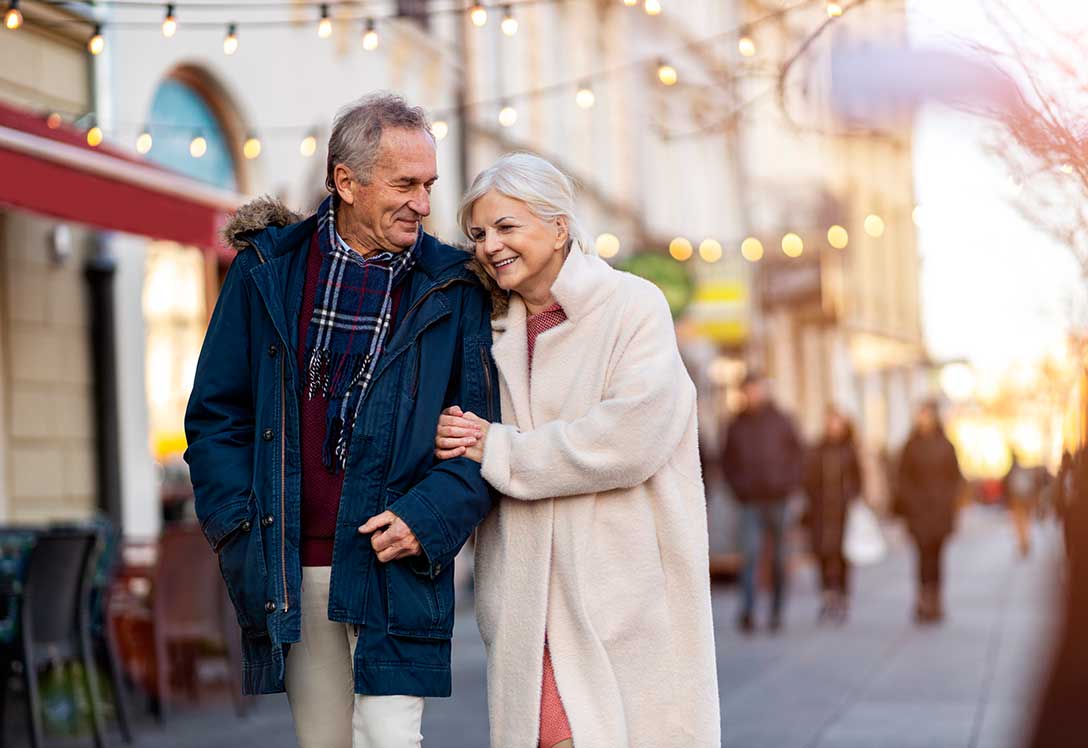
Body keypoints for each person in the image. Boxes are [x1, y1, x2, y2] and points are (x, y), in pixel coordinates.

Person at [183, 93, 498, 748]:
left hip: (397, 565)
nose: (423, 203)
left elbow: (480, 436)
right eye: (405, 184)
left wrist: (429, 518)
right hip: (293, 568)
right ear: (346, 182)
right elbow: (218, 415)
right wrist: (240, 529)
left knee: (390, 739)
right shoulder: (268, 271)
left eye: (429, 185)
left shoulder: (453, 286)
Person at [432, 153, 720, 748]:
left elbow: (630, 438)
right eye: (480, 233)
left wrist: (499, 448)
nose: (489, 246)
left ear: (559, 226)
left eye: (507, 227)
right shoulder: (486, 328)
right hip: (524, 601)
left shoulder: (633, 306)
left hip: (622, 593)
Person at [721, 372, 805, 633]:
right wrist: (739, 488)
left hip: (778, 498)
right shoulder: (735, 424)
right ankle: (748, 611)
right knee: (750, 555)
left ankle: (777, 611)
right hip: (749, 501)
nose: (753, 394)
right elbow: (726, 462)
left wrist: (789, 485)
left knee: (780, 557)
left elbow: (799, 455)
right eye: (749, 390)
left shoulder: (782, 420)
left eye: (756, 389)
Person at [896, 400, 964, 624]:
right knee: (922, 556)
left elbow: (956, 479)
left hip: (940, 512)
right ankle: (922, 599)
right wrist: (910, 502)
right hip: (918, 512)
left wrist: (949, 502)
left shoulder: (946, 446)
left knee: (937, 557)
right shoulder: (910, 446)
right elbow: (902, 478)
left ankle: (936, 599)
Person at [803, 407, 862, 623]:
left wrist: (852, 497)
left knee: (843, 555)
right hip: (821, 513)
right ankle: (827, 595)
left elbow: (858, 480)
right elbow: (808, 478)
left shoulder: (849, 451)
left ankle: (843, 596)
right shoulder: (817, 450)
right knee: (822, 553)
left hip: (843, 513)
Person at [1002, 452, 1039, 557]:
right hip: (1021, 502)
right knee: (1023, 524)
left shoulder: (1012, 473)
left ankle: (1024, 544)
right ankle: (1024, 544)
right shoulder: (1021, 472)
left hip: (1018, 502)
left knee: (1021, 525)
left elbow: (1007, 490)